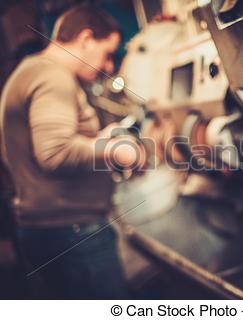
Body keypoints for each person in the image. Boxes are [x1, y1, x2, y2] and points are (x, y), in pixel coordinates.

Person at [0, 4, 144, 299]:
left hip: (53, 228)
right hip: (73, 232)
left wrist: (98, 139)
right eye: (107, 54)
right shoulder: (53, 76)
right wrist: (116, 149)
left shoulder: (31, 72)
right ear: (86, 39)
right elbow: (54, 152)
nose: (108, 67)